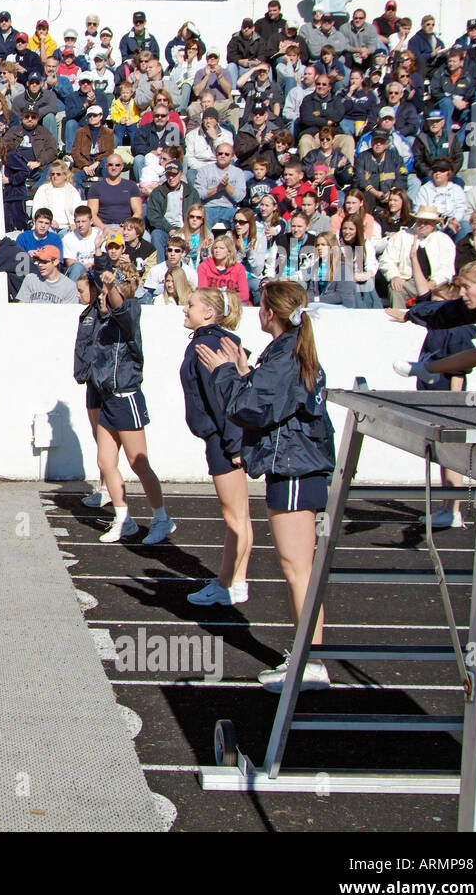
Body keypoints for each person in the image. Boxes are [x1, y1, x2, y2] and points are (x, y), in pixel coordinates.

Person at [196, 280, 336, 692]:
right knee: (298, 569)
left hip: (294, 468)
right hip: (294, 466)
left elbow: (248, 407)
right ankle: (309, 657)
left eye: (261, 306)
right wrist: (241, 371)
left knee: (298, 570)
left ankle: (311, 661)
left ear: (270, 313)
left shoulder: (286, 357)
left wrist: (225, 372)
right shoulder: (287, 352)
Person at [73, 264, 175, 545]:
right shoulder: (102, 320)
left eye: (107, 296)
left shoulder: (129, 314)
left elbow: (117, 304)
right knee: (106, 461)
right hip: (107, 398)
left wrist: (109, 287)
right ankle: (123, 519)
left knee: (138, 463)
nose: (102, 300)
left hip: (126, 397)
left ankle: (161, 518)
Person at [180, 288, 249, 606]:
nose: (185, 308)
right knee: (241, 517)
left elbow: (224, 401)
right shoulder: (221, 339)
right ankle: (237, 582)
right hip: (227, 437)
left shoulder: (206, 345)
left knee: (235, 517)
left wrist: (234, 444)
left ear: (208, 312)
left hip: (224, 440)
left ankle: (226, 584)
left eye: (191, 305)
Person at [391, 281, 475, 528]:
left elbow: (459, 369)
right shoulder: (437, 329)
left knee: (452, 457)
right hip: (433, 397)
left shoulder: (457, 330)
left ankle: (454, 509)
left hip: (446, 400)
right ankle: (446, 507)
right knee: (442, 456)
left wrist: (453, 404)